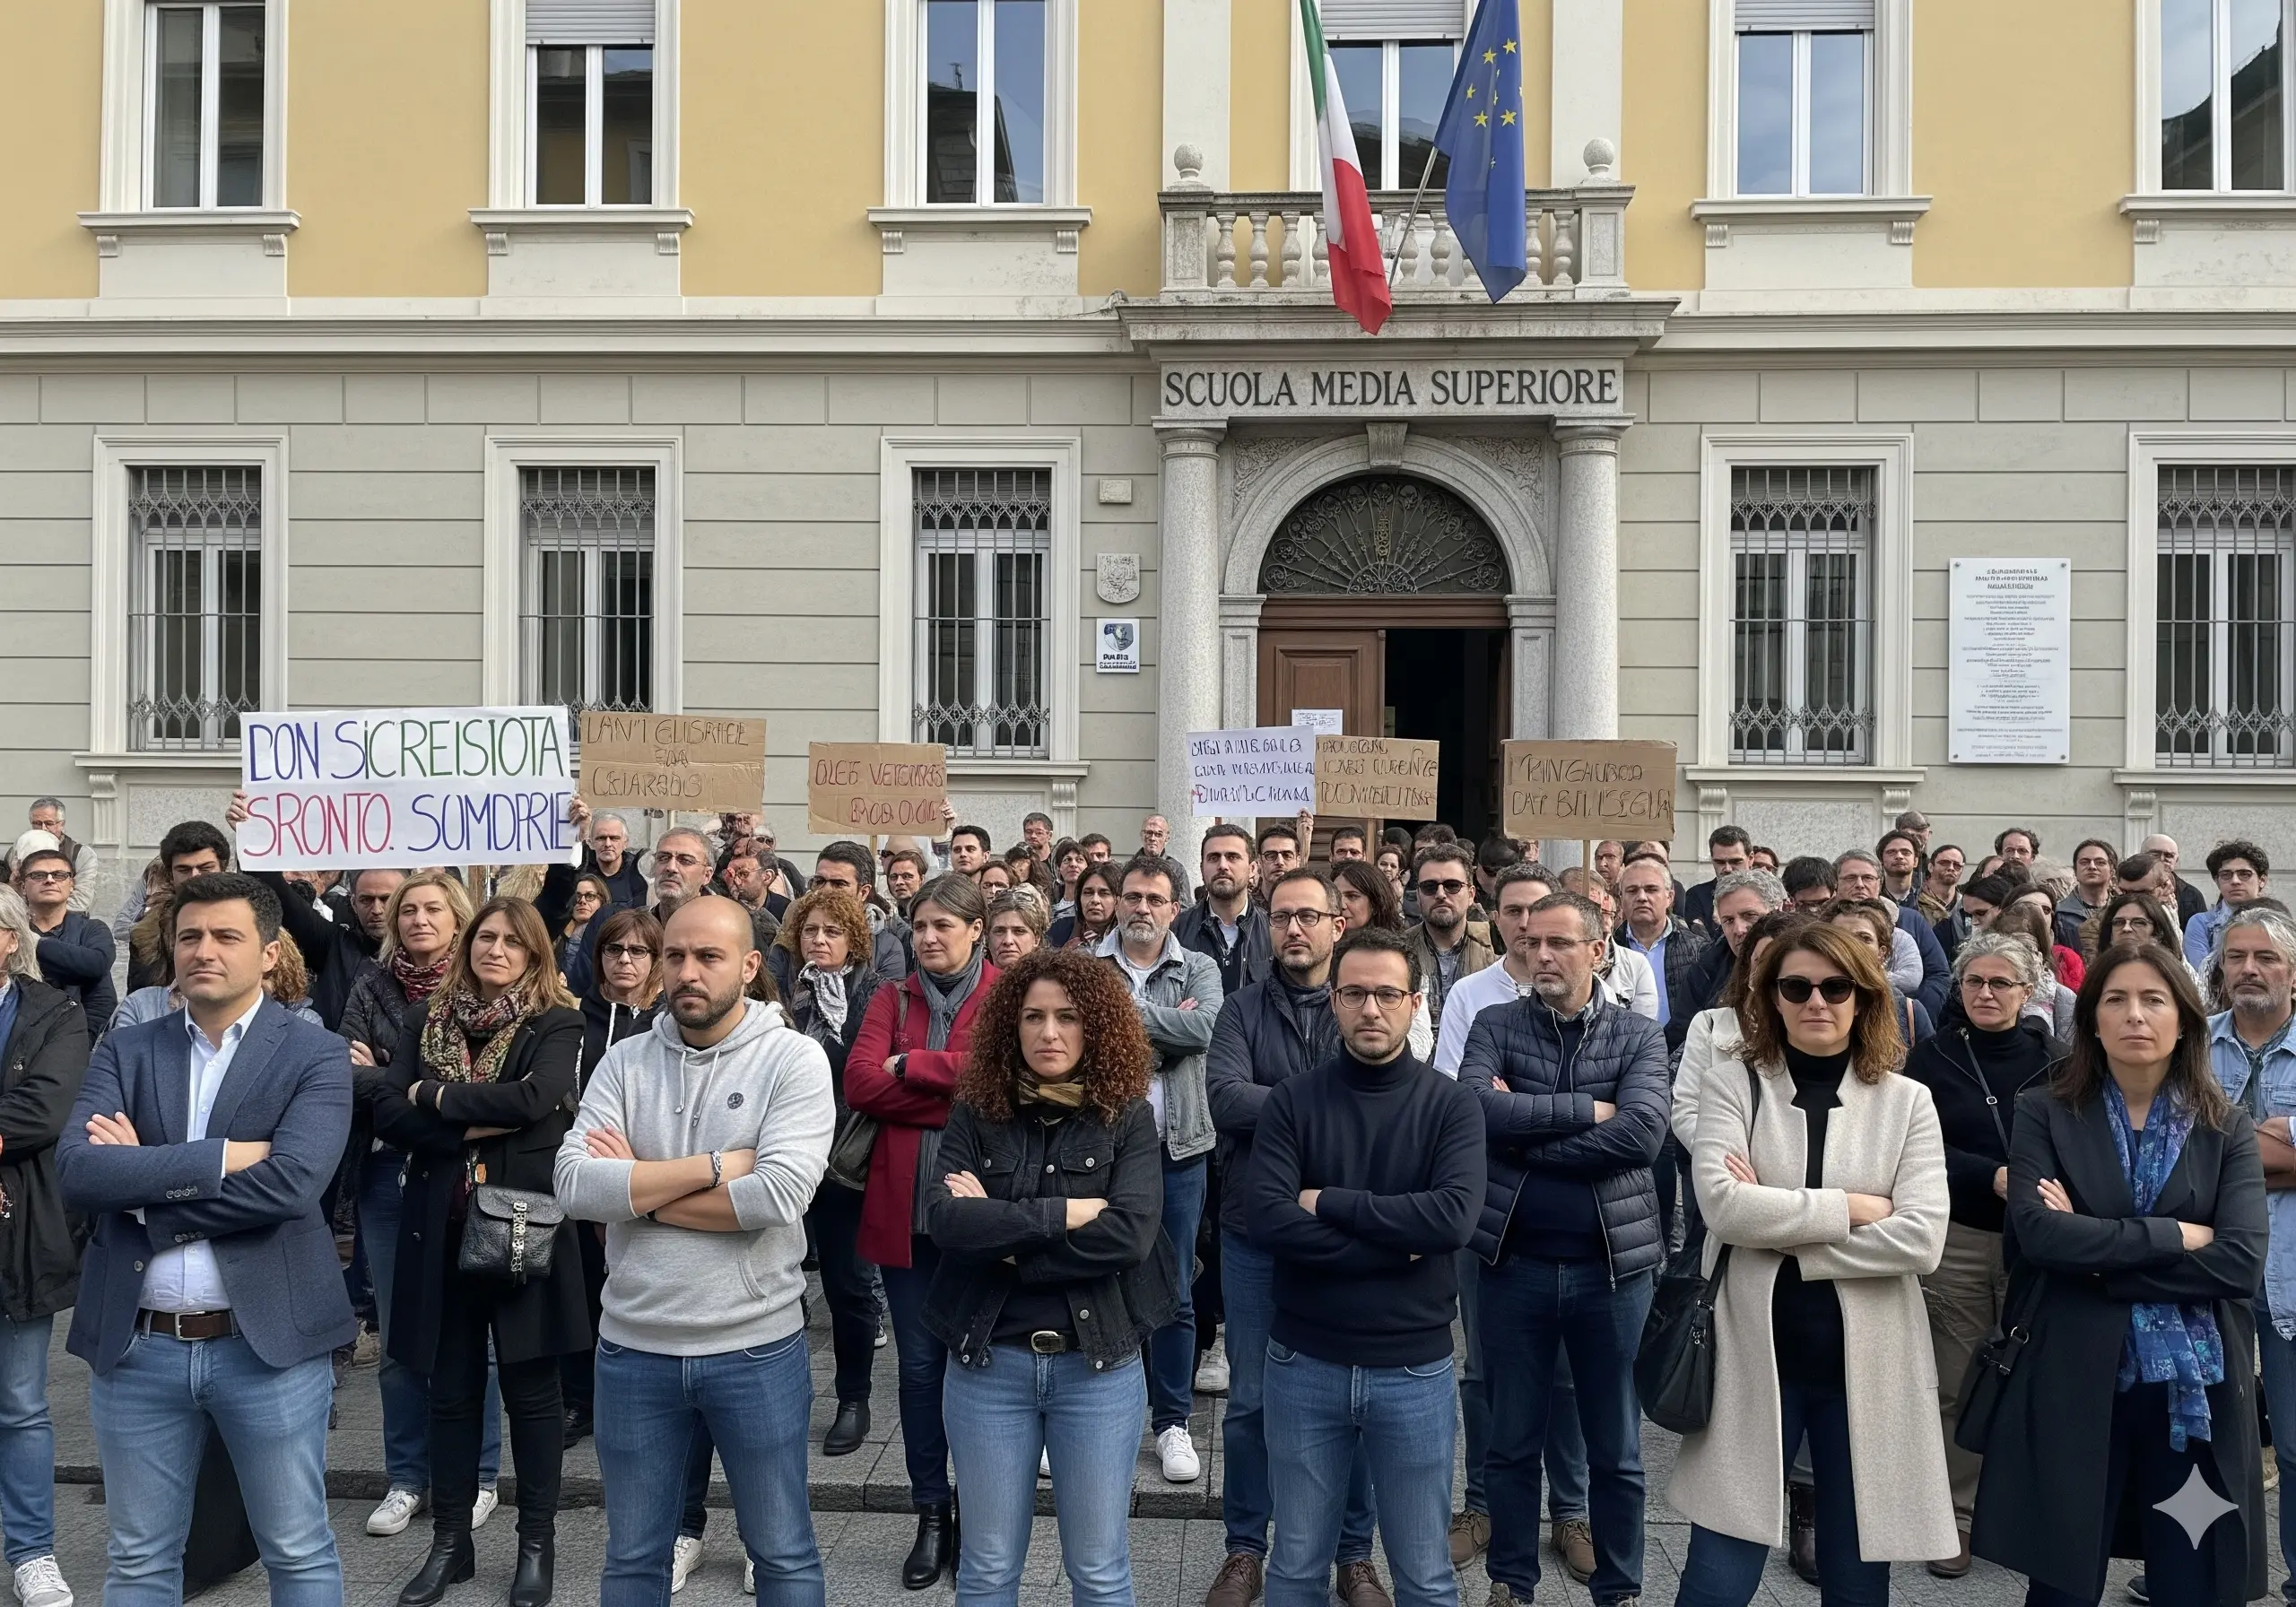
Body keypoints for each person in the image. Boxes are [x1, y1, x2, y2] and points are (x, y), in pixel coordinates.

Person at [59, 872, 358, 1603]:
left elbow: (293, 1185)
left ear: (267, 952)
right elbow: (78, 1172)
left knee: (297, 1549)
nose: (204, 951)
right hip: (137, 1349)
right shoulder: (128, 1049)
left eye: (227, 936)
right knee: (138, 1558)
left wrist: (147, 1190)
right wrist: (225, 1157)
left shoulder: (313, 1054)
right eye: (189, 936)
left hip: (269, 1348)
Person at [1970, 941, 2268, 1607]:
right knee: (2061, 1585)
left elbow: (2240, 1263)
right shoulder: (2045, 1111)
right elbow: (2042, 1237)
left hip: (2194, 1397)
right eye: (2116, 999)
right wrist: (2173, 1237)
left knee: (2190, 1579)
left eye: (2153, 999)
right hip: (2073, 1382)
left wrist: (2097, 1253)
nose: (2135, 1014)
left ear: (2185, 1018)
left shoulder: (2227, 1128)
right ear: (2093, 1020)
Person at [558, 897, 835, 1606]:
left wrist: (635, 1187)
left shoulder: (794, 1061)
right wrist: (717, 1166)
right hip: (632, 1351)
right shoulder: (624, 1062)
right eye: (673, 955)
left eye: (708, 957)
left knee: (782, 1554)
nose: (687, 972)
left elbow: (776, 1199)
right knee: (632, 1560)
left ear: (748, 966)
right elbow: (574, 1186)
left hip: (756, 1350)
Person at [1670, 921, 1956, 1607]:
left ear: (1864, 997)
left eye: (1836, 986)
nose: (1815, 1002)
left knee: (1857, 1579)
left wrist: (1779, 1220)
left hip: (1870, 1368)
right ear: (1771, 997)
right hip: (1750, 1355)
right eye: (1795, 987)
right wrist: (1853, 1207)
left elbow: (1922, 1240)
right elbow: (1723, 1209)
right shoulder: (1733, 1083)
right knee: (1716, 1576)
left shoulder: (1907, 1101)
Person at [924, 946, 1176, 1607]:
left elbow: (1130, 1236)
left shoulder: (1125, 1116)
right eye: (1032, 1017)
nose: (1049, 1032)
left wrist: (1004, 1238)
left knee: (1098, 1571)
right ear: (1012, 1027)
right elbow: (947, 1224)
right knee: (986, 1568)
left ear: (1095, 1026)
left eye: (1067, 1017)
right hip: (987, 1370)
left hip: (1096, 1371)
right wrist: (1061, 1213)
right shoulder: (978, 1111)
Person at [1249, 927, 1486, 1607]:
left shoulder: (1451, 1107)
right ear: (1333, 1000)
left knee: (1425, 1574)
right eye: (1355, 993)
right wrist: (1394, 1242)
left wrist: (1329, 1202)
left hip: (1413, 1370)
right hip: (1304, 1362)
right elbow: (1268, 1219)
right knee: (1295, 1568)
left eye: (1387, 994)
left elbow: (1450, 1222)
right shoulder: (1293, 1101)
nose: (1371, 1009)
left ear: (1417, 1003)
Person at [370, 898, 587, 1607]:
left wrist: (432, 1093)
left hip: (523, 1229)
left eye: (512, 941)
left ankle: (535, 1545)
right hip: (440, 1228)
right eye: (485, 937)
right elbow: (386, 1111)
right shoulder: (424, 1017)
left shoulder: (557, 1020)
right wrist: (457, 1122)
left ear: (533, 954)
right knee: (452, 1391)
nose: (496, 949)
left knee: (531, 1391)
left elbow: (534, 1099)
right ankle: (450, 1544)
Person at [1457, 892, 1670, 1607]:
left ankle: (1618, 1588)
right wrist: (1587, 1110)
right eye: (1530, 939)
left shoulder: (1639, 1037)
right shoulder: (1494, 1023)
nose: (1540, 953)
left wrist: (1525, 1133)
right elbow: (1474, 1111)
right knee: (1511, 1442)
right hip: (1511, 1265)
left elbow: (1641, 1136)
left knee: (1616, 1450)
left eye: (1559, 942)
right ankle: (1511, 1583)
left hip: (1612, 1273)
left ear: (1598, 951)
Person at [1203, 870, 1385, 1607]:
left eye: (1309, 915)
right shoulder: (1240, 1012)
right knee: (1249, 1400)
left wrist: (1285, 1112)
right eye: (1282, 917)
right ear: (1266, 926)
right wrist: (1320, 1106)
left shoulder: (1362, 1007)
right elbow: (1224, 1099)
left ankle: (1354, 1554)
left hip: (1346, 1232)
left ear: (1337, 926)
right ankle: (1246, 1548)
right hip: (1254, 1233)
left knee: (1356, 1398)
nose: (1295, 930)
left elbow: (1377, 1100)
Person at [1427, 864, 1595, 1580]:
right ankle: (1483, 1504)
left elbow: (1631, 1121)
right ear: (1494, 917)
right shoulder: (1473, 996)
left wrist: (1517, 1109)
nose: (1529, 931)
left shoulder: (1602, 1003)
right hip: (1489, 1213)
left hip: (1573, 1222)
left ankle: (1573, 1511)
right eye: (1515, 914)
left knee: (1567, 1378)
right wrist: (1579, 1112)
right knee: (1484, 1371)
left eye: (1541, 915)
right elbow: (1463, 1107)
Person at [334, 871, 502, 1537]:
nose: (417, 919)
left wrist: (391, 1079)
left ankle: (478, 1475)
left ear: (457, 919)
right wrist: (404, 1086)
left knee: (469, 1331)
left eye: (433, 908)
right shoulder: (371, 985)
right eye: (408, 910)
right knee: (402, 1336)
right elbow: (346, 1080)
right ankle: (407, 1477)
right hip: (383, 1179)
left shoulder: (483, 993)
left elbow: (486, 1094)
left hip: (466, 1178)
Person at [846, 874, 1000, 1590]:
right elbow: (859, 1085)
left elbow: (1005, 1082)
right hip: (905, 1214)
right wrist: (948, 1092)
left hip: (979, 1213)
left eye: (943, 925)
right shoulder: (889, 996)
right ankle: (930, 1511)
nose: (929, 938)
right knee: (917, 1369)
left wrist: (912, 1068)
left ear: (977, 929)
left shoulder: (1007, 994)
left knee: (977, 1370)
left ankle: (976, 1510)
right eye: (919, 925)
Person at [1902, 930, 2062, 1575]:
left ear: (2028, 991)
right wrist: (1986, 1175)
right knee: (1957, 1379)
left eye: (2001, 983)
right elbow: (1912, 1147)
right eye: (1974, 981)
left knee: (2040, 1379)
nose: (1986, 993)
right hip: (1962, 1235)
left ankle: (2029, 1514)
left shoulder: (2062, 1061)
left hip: (2043, 1244)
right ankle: (1956, 1516)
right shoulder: (1932, 1057)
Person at [1100, 854, 1222, 1485]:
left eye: (1154, 898)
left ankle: (1171, 1421)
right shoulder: (1086, 968)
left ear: (1176, 907)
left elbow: (1203, 1029)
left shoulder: (1198, 965)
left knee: (1174, 1291)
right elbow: (1082, 1042)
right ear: (1116, 902)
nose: (1141, 908)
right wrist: (1162, 1029)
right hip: (1099, 1154)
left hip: (1179, 1152)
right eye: (1131, 896)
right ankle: (1103, 1413)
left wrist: (1118, 1016)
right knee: (1100, 1284)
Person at [2199, 908, 2296, 1603]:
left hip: (2291, 1275)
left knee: (2293, 1446)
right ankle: (2199, 1567)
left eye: (2265, 958)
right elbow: (2173, 1153)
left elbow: (2212, 1154)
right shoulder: (2192, 1046)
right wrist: (2279, 1147)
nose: (2249, 970)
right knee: (2203, 1436)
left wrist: (2227, 1155)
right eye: (2236, 957)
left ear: (2292, 973)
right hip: (2208, 1267)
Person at [0, 888, 89, 1607]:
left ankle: (31, 1554)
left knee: (20, 1405)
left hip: (16, 1231)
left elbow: (41, 1114)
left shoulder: (54, 1012)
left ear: (9, 938)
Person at [779, 890, 883, 1463]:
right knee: (780, 1282)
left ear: (854, 940)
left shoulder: (872, 996)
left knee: (848, 1285)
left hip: (845, 1162)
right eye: (810, 930)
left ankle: (854, 1398)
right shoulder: (782, 996)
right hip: (785, 1157)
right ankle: (783, 1395)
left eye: (832, 932)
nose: (818, 941)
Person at [558, 906, 664, 1454]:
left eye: (638, 951)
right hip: (584, 1173)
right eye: (613, 950)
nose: (624, 960)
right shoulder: (576, 1018)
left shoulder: (665, 1023)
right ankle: (582, 1398)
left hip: (645, 1181)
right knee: (578, 1292)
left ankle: (636, 1396)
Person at [1835, 849, 1951, 1018]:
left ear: (1879, 882)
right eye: (1850, 878)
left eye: (1868, 878)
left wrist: (1915, 1013)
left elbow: (1939, 974)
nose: (1860, 884)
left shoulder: (1910, 920)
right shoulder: (1821, 925)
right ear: (1836, 883)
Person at [1616, 849, 1710, 1058]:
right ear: (1621, 899)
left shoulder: (1698, 950)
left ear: (1669, 897)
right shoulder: (1608, 950)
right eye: (1632, 891)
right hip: (1621, 1057)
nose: (1642, 897)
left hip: (1683, 1059)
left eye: (1651, 890)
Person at [13, 848, 114, 1040]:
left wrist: (81, 1044)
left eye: (59, 875)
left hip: (76, 1041)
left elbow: (97, 968)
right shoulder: (9, 932)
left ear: (72, 884)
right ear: (23, 887)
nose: (50, 880)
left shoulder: (92, 930)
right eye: (38, 875)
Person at [1405, 844, 1495, 1039]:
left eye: (1452, 885)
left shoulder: (1497, 947)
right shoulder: (1399, 952)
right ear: (1418, 896)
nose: (1440, 894)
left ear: (1471, 895)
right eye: (1429, 887)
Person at [1175, 824, 1272, 997]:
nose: (1222, 866)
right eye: (1213, 858)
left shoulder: (1273, 930)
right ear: (1202, 869)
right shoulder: (1176, 930)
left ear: (1252, 869)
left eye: (1232, 857)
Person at [1823, 899, 1935, 1047]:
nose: (1852, 945)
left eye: (1864, 938)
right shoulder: (1805, 1001)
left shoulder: (1909, 1013)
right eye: (1840, 937)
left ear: (1882, 953)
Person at [2187, 839, 2272, 971]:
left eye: (2244, 874)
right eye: (2226, 875)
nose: (2235, 881)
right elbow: (2202, 975)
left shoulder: (2278, 921)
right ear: (2217, 881)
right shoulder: (2201, 923)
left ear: (2262, 880)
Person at [4, 802, 95, 913]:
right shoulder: (17, 850)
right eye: (37, 823)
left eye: (49, 823)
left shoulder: (81, 854)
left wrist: (48, 918)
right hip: (23, 919)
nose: (43, 828)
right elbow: (6, 896)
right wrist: (14, 883)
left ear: (62, 824)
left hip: (68, 923)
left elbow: (81, 900)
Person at [1681, 826, 1753, 935]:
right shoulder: (1696, 895)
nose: (1728, 869)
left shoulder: (1765, 895)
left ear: (1751, 858)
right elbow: (1699, 946)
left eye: (1736, 861)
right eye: (1720, 862)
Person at [2143, 834, 2213, 929]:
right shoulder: (2126, 889)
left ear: (2176, 861)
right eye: (2155, 854)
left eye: (2169, 855)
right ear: (2140, 856)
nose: (2162, 859)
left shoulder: (2193, 895)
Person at [2059, 838, 2120, 950]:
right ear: (2075, 871)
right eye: (2084, 862)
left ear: (2112, 871)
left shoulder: (2123, 910)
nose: (2092, 867)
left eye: (2100, 862)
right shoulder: (2059, 912)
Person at [579, 812, 648, 909]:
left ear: (625, 842)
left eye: (614, 838)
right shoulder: (580, 869)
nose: (608, 844)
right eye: (601, 838)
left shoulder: (639, 872)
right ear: (590, 842)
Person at [1049, 861, 1120, 953]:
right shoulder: (1060, 931)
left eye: (1104, 893)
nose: (1095, 900)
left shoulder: (1129, 943)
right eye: (1088, 893)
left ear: (1118, 900)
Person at [559, 873, 611, 978]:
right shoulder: (556, 934)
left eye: (590, 896)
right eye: (577, 896)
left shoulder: (610, 936)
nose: (582, 901)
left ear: (602, 901)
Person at [986, 888, 1048, 969]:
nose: (1008, 941)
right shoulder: (971, 981)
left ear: (1036, 939)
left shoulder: (1051, 981)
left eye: (1019, 931)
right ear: (987, 937)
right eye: (1000, 931)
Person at [1141, 813, 1193, 900]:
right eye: (1149, 833)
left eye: (1158, 834)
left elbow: (1185, 905)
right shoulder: (1129, 867)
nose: (1152, 838)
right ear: (1142, 835)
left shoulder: (1177, 869)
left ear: (1167, 838)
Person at [1921, 845, 1968, 929]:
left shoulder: (1967, 906)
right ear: (1931, 867)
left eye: (1957, 865)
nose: (1951, 868)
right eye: (1944, 863)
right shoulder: (1913, 901)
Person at [1877, 829, 1925, 908]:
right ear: (1881, 860)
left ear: (1915, 861)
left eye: (1906, 852)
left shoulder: (1930, 902)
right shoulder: (1870, 899)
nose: (1899, 856)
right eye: (1891, 852)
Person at [1257, 822, 1304, 890]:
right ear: (1260, 861)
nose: (1280, 862)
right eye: (1271, 856)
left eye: (1287, 855)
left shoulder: (1310, 900)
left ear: (1298, 860)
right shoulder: (1246, 900)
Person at [1051, 837, 1088, 917]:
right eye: (1067, 860)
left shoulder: (1090, 907)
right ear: (1058, 868)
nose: (1073, 864)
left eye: (1079, 860)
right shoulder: (1050, 913)